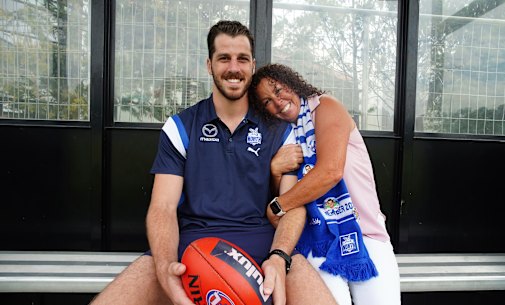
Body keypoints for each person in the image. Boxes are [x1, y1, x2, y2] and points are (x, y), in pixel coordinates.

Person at [90, 21, 338, 305]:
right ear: (209, 64)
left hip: (262, 248)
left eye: (242, 59)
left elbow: (292, 206)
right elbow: (162, 208)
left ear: (252, 65)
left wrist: (280, 256)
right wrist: (164, 266)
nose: (234, 67)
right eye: (224, 58)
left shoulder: (279, 131)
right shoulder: (180, 127)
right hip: (192, 248)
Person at [249, 63, 401, 305]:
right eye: (267, 101)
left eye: (278, 90)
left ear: (291, 83)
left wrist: (276, 206)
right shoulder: (286, 135)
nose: (277, 102)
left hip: (365, 233)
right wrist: (276, 171)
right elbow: (290, 198)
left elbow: (330, 171)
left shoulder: (325, 107)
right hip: (319, 239)